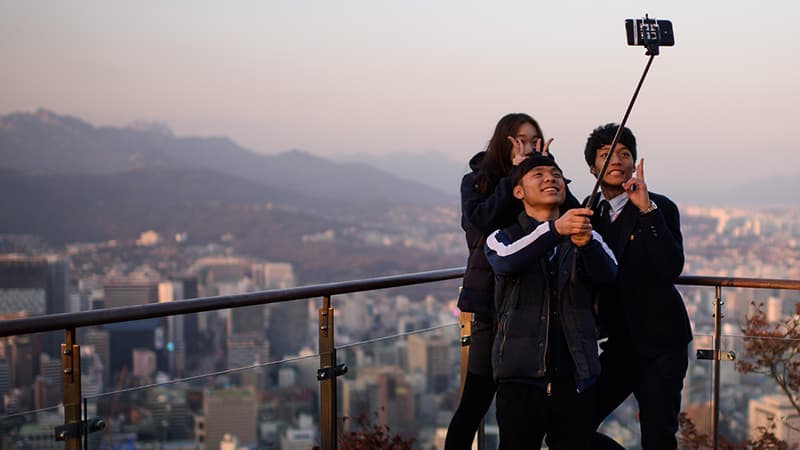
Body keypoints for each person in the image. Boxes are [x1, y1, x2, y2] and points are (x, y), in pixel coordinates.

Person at [445, 113, 577, 449]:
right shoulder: (478, 181)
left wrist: (546, 169)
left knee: (530, 407)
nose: (528, 146)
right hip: (490, 303)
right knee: (475, 400)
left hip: (533, 306)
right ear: (503, 141)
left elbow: (574, 217)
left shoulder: (544, 179)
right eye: (520, 139)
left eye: (534, 140)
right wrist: (514, 180)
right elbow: (481, 223)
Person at [485, 155, 618, 450]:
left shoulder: (585, 234)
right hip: (518, 379)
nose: (550, 178)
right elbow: (505, 262)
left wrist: (588, 245)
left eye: (557, 174)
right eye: (538, 174)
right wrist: (555, 230)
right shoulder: (501, 237)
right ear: (518, 191)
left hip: (575, 378)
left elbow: (609, 273)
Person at [583, 123, 693, 450]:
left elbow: (671, 267)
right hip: (618, 346)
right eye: (606, 155)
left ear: (635, 163)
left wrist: (646, 210)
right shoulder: (589, 215)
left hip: (662, 345)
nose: (616, 160)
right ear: (593, 168)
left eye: (624, 154)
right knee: (572, 425)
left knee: (658, 437)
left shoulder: (658, 206)